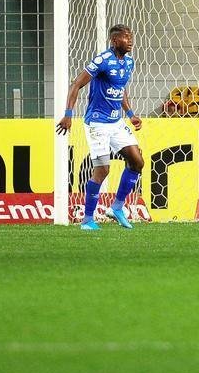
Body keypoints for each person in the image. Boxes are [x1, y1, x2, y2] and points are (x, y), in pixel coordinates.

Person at [55, 24, 145, 231]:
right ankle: (87, 219)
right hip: (97, 122)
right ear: (114, 41)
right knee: (103, 170)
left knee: (137, 161)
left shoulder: (129, 62)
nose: (129, 40)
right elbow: (76, 84)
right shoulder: (102, 60)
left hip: (116, 122)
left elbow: (119, 89)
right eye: (124, 37)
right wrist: (68, 115)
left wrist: (130, 114)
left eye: (130, 37)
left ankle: (117, 207)